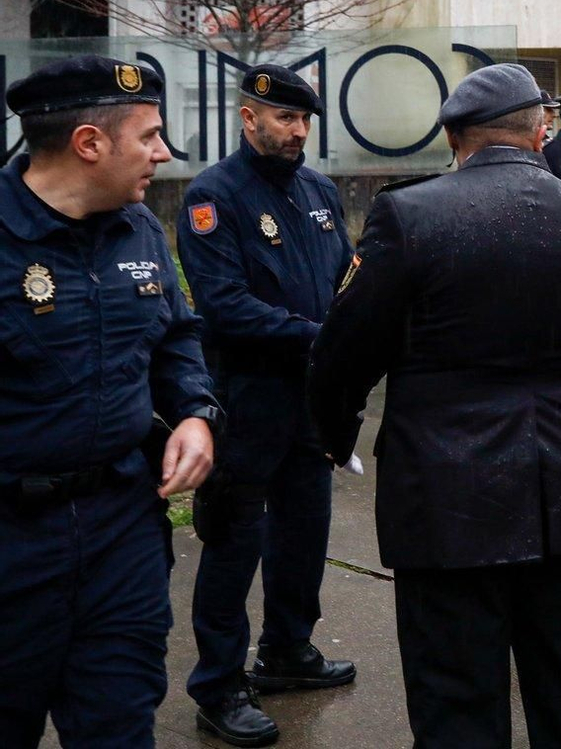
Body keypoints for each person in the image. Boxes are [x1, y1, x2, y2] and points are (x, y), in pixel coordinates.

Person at [305, 63, 561, 748]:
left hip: (448, 497)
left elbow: (344, 352)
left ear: (453, 137)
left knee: (457, 701)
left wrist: (336, 435)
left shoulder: (409, 214)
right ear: (541, 131)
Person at [1, 55, 221, 747]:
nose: (164, 152)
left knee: (120, 726)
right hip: (12, 541)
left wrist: (194, 411)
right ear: (89, 143)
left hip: (120, 531)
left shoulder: (141, 230)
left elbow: (176, 336)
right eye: (150, 135)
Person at [179, 65, 356, 746]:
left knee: (304, 531)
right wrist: (325, 338)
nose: (297, 131)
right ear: (247, 118)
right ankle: (219, 683)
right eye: (284, 118)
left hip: (308, 400)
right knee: (233, 540)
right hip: (246, 395)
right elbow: (223, 305)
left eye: (305, 120)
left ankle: (288, 650)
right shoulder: (212, 195)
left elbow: (346, 274)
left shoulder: (317, 189)